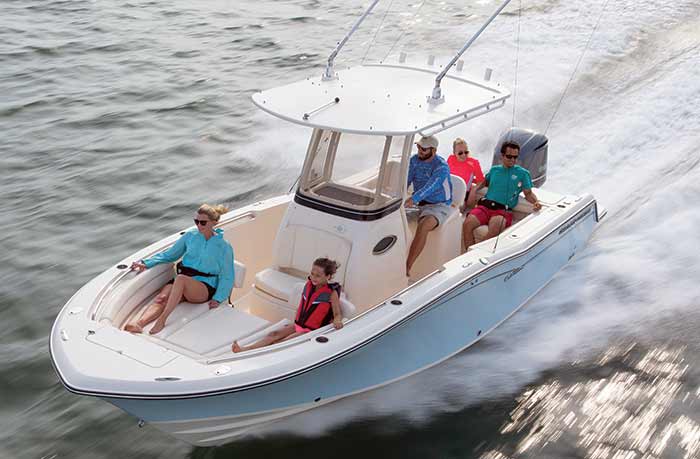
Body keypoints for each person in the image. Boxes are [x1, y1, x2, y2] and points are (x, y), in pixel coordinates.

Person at [124, 204, 235, 335]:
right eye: (196, 221)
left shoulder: (224, 247)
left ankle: (162, 320)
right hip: (183, 281)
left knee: (181, 279)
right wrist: (146, 263)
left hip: (204, 286)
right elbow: (170, 255)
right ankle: (139, 323)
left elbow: (227, 275)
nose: (199, 225)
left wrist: (218, 297)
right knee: (162, 298)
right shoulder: (190, 236)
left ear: (214, 223)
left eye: (203, 222)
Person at [231, 258, 343, 353]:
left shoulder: (331, 293)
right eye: (312, 274)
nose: (313, 278)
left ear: (328, 277)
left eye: (318, 276)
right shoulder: (309, 285)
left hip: (310, 331)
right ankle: (244, 350)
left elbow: (337, 314)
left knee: (282, 343)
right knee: (273, 334)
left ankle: (258, 355)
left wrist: (337, 321)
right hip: (298, 325)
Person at [462, 141, 542, 249]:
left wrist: (536, 202)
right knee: (467, 224)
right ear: (502, 156)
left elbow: (528, 194)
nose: (513, 160)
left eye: (515, 157)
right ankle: (468, 256)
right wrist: (474, 189)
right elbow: (485, 182)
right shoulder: (494, 170)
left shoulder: (523, 173)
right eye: (509, 157)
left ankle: (475, 254)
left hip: (502, 211)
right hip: (485, 206)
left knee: (494, 230)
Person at [405, 135, 453, 277]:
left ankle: (407, 267)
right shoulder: (414, 160)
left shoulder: (441, 167)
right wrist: (399, 197)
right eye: (418, 147)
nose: (420, 150)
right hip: (419, 204)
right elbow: (406, 180)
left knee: (424, 225)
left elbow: (432, 186)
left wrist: (413, 198)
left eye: (424, 149)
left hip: (439, 205)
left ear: (433, 150)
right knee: (395, 219)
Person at [447, 138, 484, 208]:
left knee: (453, 209)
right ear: (454, 152)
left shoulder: (474, 163)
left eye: (466, 152)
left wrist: (473, 190)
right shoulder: (451, 159)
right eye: (460, 153)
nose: (463, 155)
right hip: (448, 192)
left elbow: (481, 181)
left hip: (462, 195)